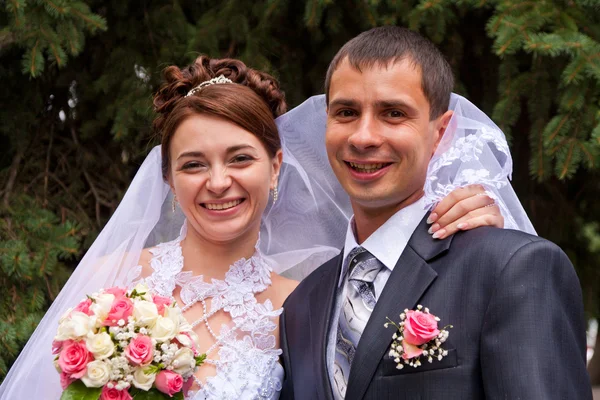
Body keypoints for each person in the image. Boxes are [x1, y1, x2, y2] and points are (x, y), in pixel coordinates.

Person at [1, 53, 517, 399]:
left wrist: (469, 231)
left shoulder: (307, 307)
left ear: (274, 168)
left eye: (240, 158)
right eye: (194, 164)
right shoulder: (109, 288)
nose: (218, 182)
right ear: (169, 178)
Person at [279, 26, 592, 400]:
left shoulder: (508, 268)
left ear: (441, 132)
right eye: (346, 112)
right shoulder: (302, 303)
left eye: (393, 113)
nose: (363, 137)